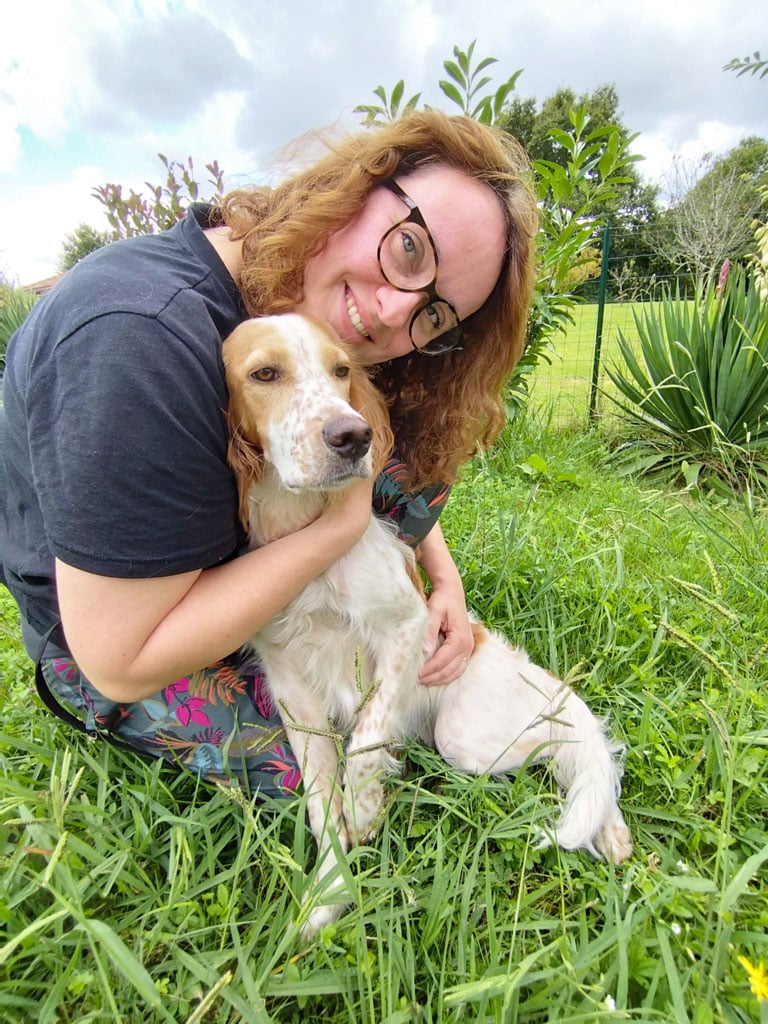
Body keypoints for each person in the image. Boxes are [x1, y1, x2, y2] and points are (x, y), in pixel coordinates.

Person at [1, 110, 537, 797]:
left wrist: (446, 583)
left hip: (249, 550)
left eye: (436, 315)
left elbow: (396, 472)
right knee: (306, 758)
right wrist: (342, 525)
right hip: (123, 641)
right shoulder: (140, 340)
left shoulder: (280, 297)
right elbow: (120, 662)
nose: (397, 314)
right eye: (410, 249)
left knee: (395, 433)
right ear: (356, 186)